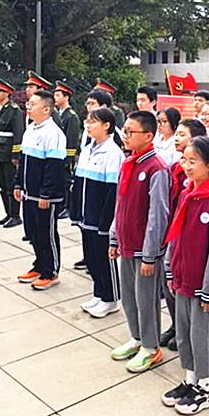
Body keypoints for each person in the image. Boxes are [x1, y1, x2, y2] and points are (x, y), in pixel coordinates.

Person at [161, 136, 209, 415]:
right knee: (185, 333)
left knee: (202, 336)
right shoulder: (187, 193)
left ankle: (206, 387)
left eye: (193, 161)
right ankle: (190, 379)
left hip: (202, 285)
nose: (186, 166)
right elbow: (175, 234)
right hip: (182, 278)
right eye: (185, 160)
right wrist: (170, 268)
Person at [109, 111, 170, 373]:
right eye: (124, 130)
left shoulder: (157, 168)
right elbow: (120, 204)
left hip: (145, 249)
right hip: (127, 244)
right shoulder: (128, 163)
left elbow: (158, 215)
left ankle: (151, 347)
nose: (125, 135)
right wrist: (114, 237)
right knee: (129, 297)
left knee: (146, 300)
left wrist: (150, 254)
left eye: (130, 131)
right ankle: (136, 337)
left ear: (148, 136)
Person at [160, 119, 209, 351]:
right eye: (177, 134)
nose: (177, 138)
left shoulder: (199, 176)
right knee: (170, 282)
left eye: (182, 134)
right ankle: (176, 326)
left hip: (190, 237)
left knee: (186, 287)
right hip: (172, 233)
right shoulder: (176, 168)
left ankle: (187, 331)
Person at [71, 108, 124, 317]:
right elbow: (79, 183)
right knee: (91, 258)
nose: (88, 125)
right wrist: (76, 211)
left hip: (100, 219)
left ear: (106, 125)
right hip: (86, 215)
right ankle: (99, 293)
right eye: (87, 121)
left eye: (93, 121)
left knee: (104, 259)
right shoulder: (87, 150)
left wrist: (106, 223)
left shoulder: (113, 153)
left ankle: (111, 299)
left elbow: (112, 192)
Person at [14, 90, 67, 290]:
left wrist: (46, 194)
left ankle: (51, 272)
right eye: (28, 103)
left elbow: (54, 168)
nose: (28, 107)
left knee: (46, 233)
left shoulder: (53, 133)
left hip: (44, 197)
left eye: (33, 104)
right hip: (29, 193)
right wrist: (18, 184)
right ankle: (39, 265)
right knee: (33, 233)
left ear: (46, 109)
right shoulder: (30, 129)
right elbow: (23, 160)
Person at [0, 77, 24, 228]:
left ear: (7, 93)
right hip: (0, 151)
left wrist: (16, 154)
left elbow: (18, 133)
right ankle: (8, 213)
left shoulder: (14, 110)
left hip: (9, 151)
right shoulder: (0, 109)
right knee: (2, 185)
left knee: (11, 185)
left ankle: (15, 215)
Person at [54, 82, 81, 219]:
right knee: (60, 181)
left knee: (67, 181)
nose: (55, 98)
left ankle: (68, 207)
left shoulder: (71, 116)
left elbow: (71, 140)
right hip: (58, 154)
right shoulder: (59, 114)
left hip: (66, 155)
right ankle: (61, 205)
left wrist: (68, 158)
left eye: (58, 95)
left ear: (66, 97)